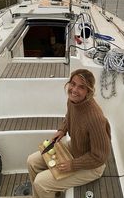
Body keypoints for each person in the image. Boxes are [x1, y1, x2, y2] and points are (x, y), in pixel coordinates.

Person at [27, 68, 111, 198]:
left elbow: (100, 156)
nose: (74, 90)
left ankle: (46, 190)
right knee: (32, 162)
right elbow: (69, 116)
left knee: (40, 183)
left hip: (92, 166)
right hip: (76, 148)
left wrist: (73, 164)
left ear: (88, 91)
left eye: (81, 87)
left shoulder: (95, 119)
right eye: (73, 84)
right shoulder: (73, 101)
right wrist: (62, 130)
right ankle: (49, 194)